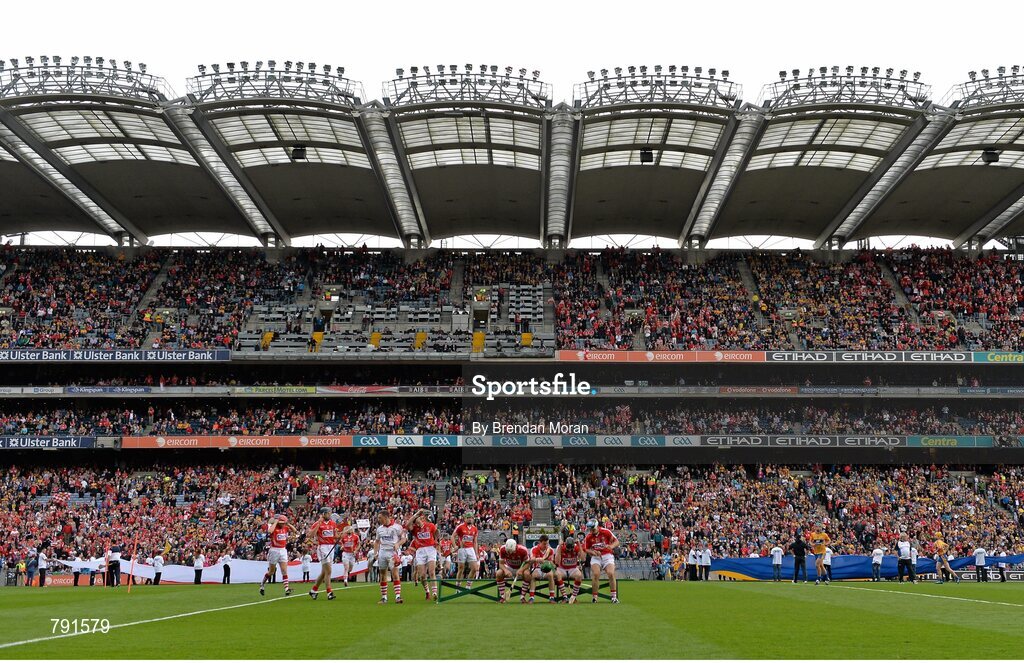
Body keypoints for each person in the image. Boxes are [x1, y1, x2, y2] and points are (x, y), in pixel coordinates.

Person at [583, 519, 620, 603]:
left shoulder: (606, 531)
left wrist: (611, 546)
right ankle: (595, 597)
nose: (591, 531)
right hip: (596, 557)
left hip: (607, 556)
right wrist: (592, 552)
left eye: (593, 529)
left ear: (596, 526)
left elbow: (616, 541)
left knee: (611, 573)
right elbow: (585, 549)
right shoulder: (588, 536)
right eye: (590, 529)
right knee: (596, 574)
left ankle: (613, 597)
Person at [405, 509, 439, 601]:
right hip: (420, 551)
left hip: (430, 549)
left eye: (419, 518)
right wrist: (416, 514)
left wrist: (436, 540)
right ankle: (427, 591)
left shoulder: (430, 525)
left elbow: (436, 532)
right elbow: (408, 525)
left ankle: (435, 592)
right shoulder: (415, 528)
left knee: (431, 572)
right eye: (416, 520)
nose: (417, 521)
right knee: (422, 575)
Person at [260, 514, 297, 597]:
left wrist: (288, 524)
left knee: (284, 570)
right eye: (282, 523)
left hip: (283, 550)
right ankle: (262, 584)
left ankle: (287, 589)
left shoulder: (285, 528)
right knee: (271, 571)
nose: (283, 524)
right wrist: (276, 522)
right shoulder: (274, 528)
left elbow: (295, 531)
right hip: (274, 550)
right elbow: (269, 531)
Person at [373, 511, 406, 605]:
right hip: (383, 552)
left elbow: (404, 538)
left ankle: (398, 596)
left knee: (395, 573)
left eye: (380, 517)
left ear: (386, 517)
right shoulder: (379, 529)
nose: (378, 519)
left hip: (393, 552)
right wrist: (376, 553)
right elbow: (377, 541)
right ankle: (384, 598)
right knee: (382, 574)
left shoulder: (397, 527)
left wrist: (398, 544)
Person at [308, 508, 339, 600]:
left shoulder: (333, 523)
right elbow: (310, 535)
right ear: (323, 514)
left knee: (323, 573)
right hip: (323, 548)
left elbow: (335, 536)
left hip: (331, 547)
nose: (330, 515)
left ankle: (313, 590)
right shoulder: (317, 524)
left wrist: (341, 535)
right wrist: (318, 524)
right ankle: (329, 592)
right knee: (328, 571)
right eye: (328, 513)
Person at [496, 537, 531, 603]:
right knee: (499, 573)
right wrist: (506, 570)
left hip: (521, 568)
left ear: (515, 548)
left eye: (511, 551)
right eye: (508, 551)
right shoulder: (502, 549)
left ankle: (522, 597)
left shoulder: (523, 550)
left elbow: (528, 563)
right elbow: (501, 564)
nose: (509, 553)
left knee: (527, 574)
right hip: (509, 567)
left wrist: (521, 569)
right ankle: (502, 596)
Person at [452, 512, 479, 591]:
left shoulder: (475, 528)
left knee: (474, 568)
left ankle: (468, 586)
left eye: (471, 518)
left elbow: (475, 542)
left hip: (470, 549)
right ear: (465, 519)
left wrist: (476, 553)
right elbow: (453, 536)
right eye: (468, 518)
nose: (470, 519)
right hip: (462, 549)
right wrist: (455, 546)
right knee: (461, 568)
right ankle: (458, 587)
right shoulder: (460, 527)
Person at [554, 535, 585, 603]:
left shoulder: (576, 547)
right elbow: (557, 562)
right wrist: (559, 546)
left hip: (573, 568)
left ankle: (573, 597)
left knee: (579, 575)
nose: (570, 550)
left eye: (571, 548)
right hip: (562, 568)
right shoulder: (560, 547)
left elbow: (583, 558)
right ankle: (565, 597)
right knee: (557, 574)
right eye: (568, 548)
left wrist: (579, 545)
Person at [528, 534, 557, 603]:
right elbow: (531, 560)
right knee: (533, 576)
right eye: (544, 544)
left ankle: (552, 597)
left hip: (547, 568)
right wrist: (537, 559)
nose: (546, 545)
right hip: (537, 568)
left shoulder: (550, 550)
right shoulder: (534, 549)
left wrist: (547, 562)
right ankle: (531, 597)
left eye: (547, 543)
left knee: (551, 575)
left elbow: (552, 563)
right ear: (539, 543)